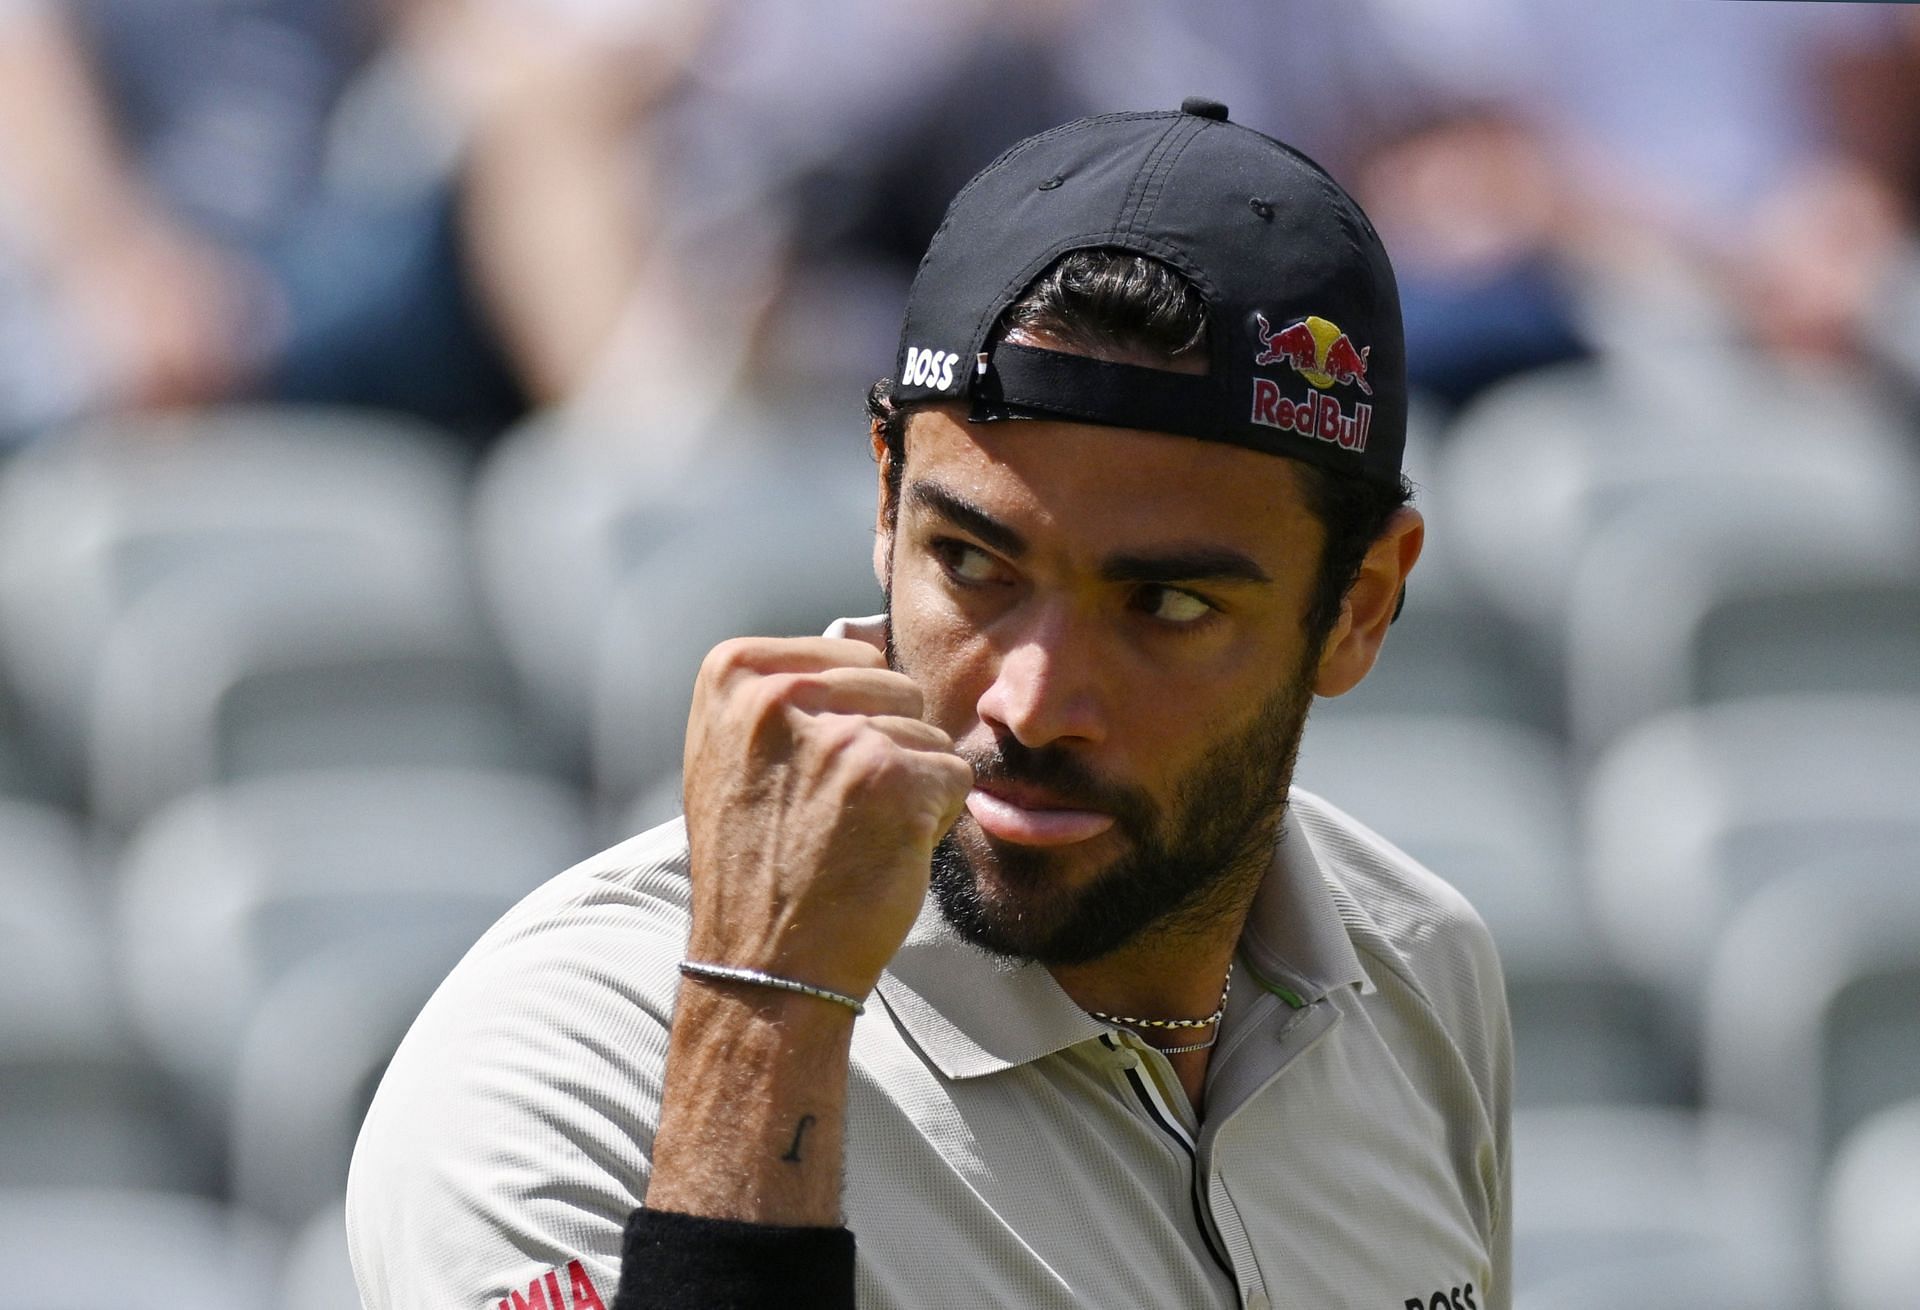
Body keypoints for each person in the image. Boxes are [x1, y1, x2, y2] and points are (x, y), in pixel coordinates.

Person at [347, 99, 1512, 1310]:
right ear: (884, 504)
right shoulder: (569, 1057)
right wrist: (764, 1018)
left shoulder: (1424, 966)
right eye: (971, 563)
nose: (1034, 698)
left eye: (1165, 604)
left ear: (1362, 605)